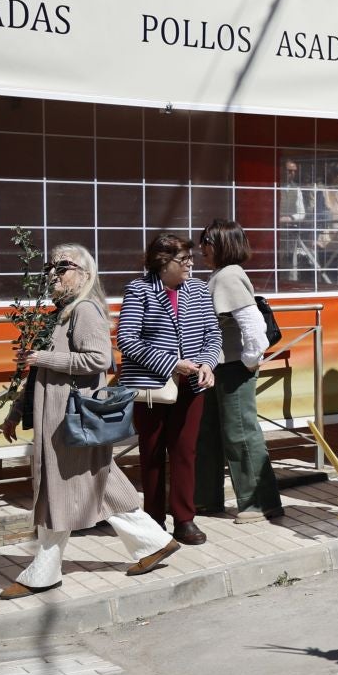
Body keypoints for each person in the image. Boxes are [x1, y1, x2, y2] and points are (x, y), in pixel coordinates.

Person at [0, 244, 181, 599]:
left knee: (58, 490)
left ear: (84, 273)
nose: (54, 273)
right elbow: (39, 372)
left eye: (62, 266)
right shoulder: (61, 314)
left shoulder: (85, 311)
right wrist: (16, 412)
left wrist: (45, 357)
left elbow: (99, 359)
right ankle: (154, 542)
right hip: (62, 420)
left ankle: (43, 571)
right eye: (50, 267)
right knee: (102, 483)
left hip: (70, 419)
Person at [117, 233, 220, 545]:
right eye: (183, 259)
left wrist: (206, 365)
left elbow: (212, 334)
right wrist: (171, 364)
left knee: (185, 452)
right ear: (163, 262)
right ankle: (153, 519)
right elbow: (127, 339)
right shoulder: (139, 290)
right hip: (152, 388)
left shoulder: (199, 290)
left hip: (192, 386)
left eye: (191, 258)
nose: (191, 264)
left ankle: (185, 519)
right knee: (152, 452)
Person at [194, 220, 280, 524]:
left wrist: (247, 362)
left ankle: (259, 503)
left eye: (208, 241)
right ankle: (206, 498)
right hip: (220, 367)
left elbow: (254, 328)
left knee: (240, 432)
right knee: (212, 433)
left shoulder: (229, 276)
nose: (202, 247)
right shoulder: (221, 275)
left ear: (223, 245)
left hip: (232, 368)